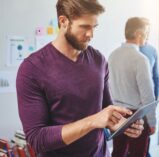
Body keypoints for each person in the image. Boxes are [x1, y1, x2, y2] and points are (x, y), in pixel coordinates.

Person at [16, 1, 144, 157]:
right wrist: (92, 121)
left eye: (94, 27)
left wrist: (124, 125)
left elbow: (106, 110)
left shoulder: (99, 60)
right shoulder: (32, 69)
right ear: (63, 21)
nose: (91, 34)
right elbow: (37, 138)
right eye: (84, 27)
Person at [108, 17, 157, 157]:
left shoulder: (112, 56)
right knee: (138, 154)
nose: (147, 37)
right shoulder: (140, 59)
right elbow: (147, 95)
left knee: (118, 153)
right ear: (138, 34)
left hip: (116, 113)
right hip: (136, 116)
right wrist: (152, 122)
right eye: (146, 32)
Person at [140, 42, 159, 157]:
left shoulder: (152, 50)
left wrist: (155, 102)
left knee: (145, 142)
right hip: (129, 104)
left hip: (147, 104)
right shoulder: (125, 50)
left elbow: (156, 78)